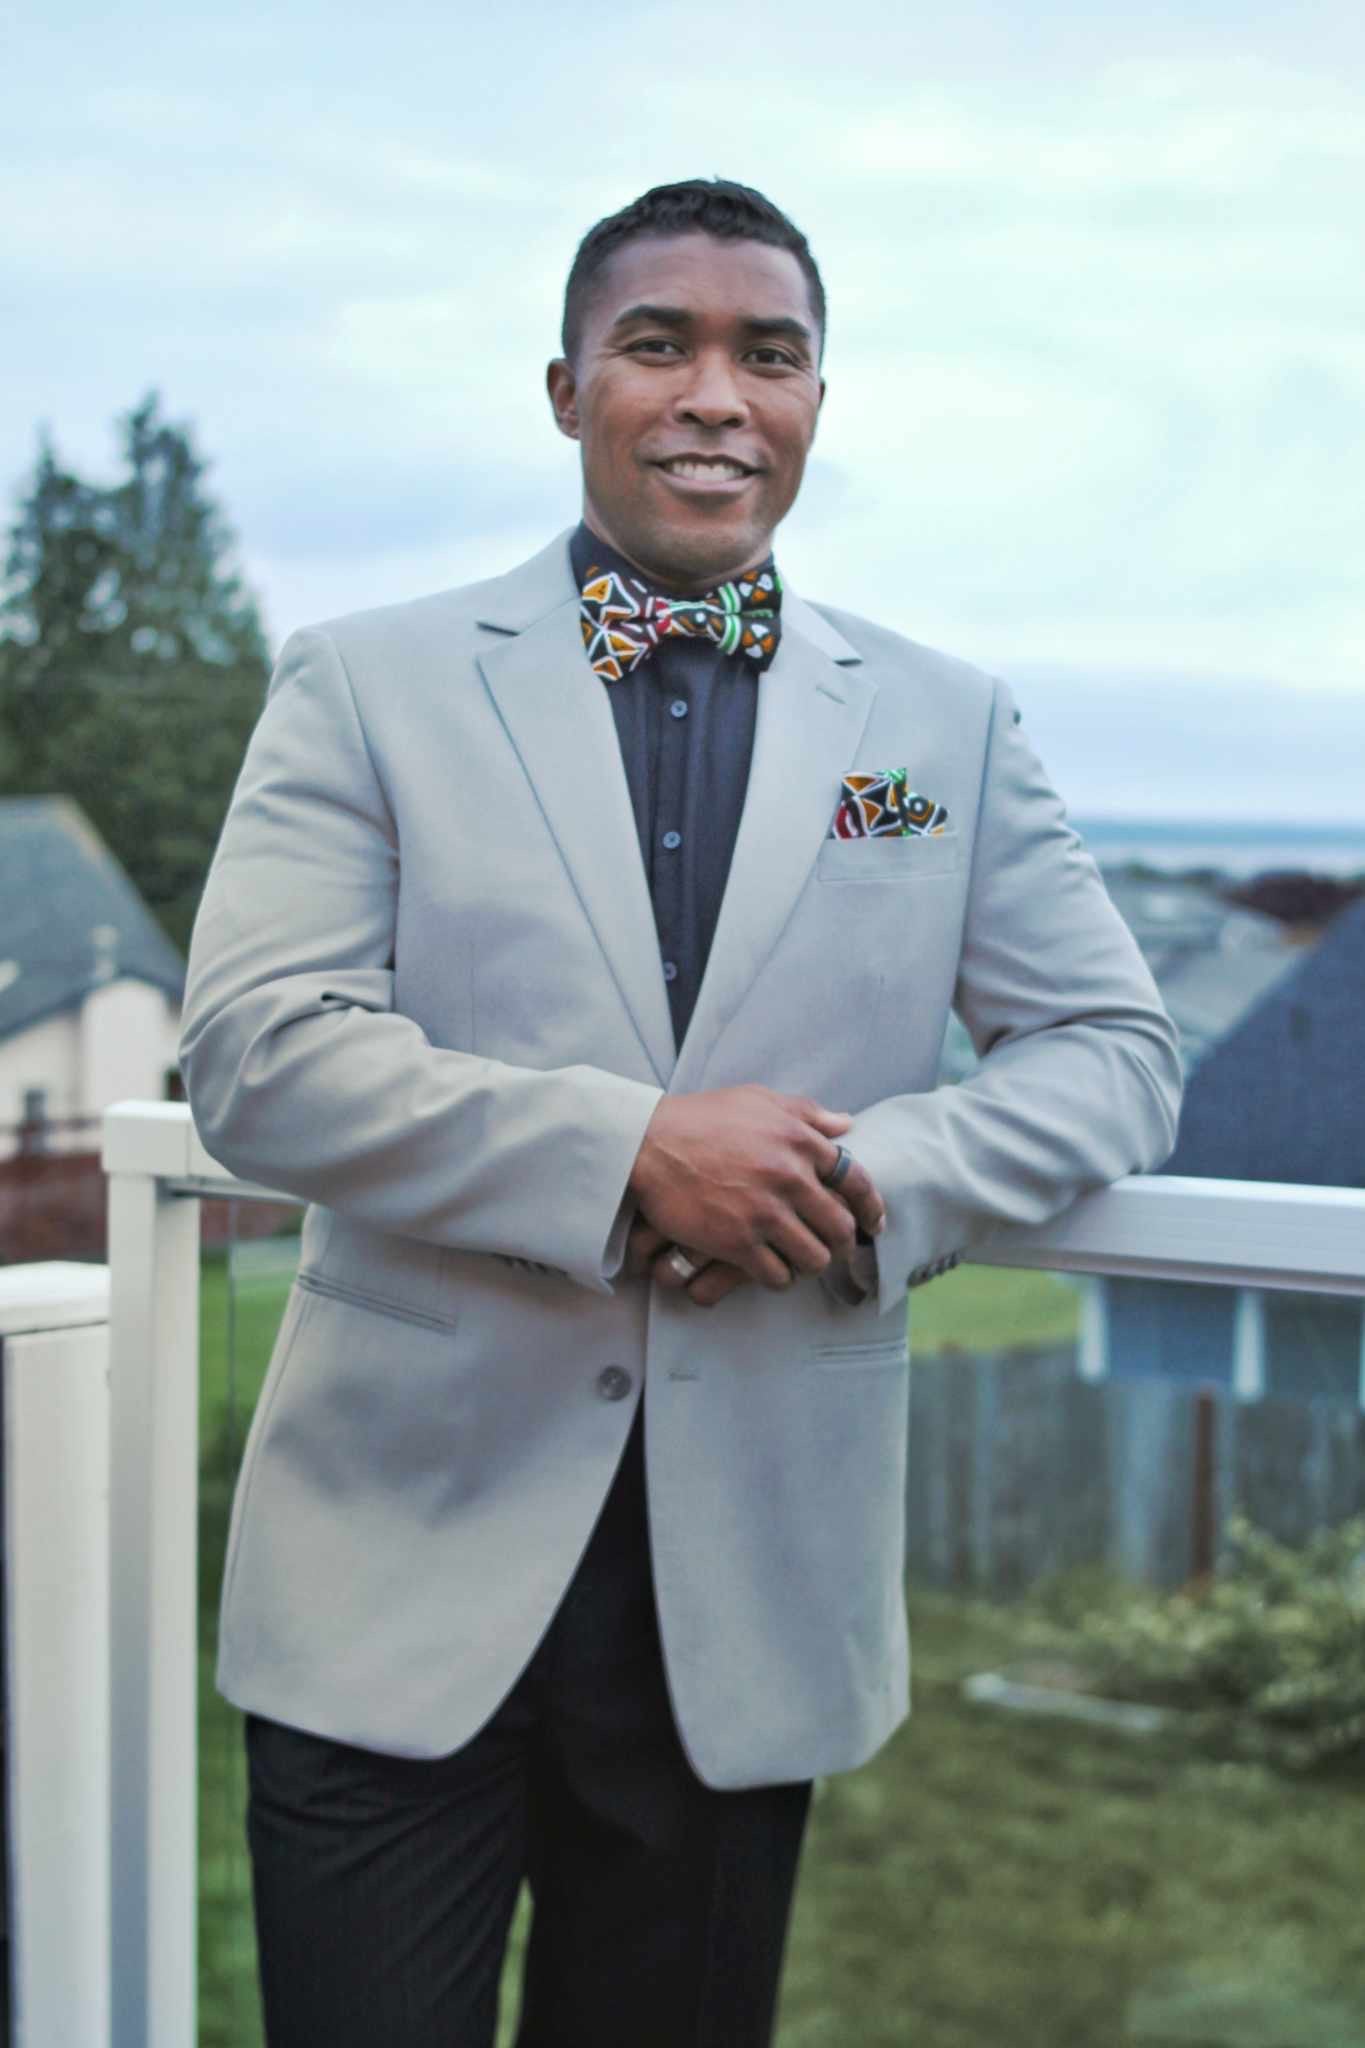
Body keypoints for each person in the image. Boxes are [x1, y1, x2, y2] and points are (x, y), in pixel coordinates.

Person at [177, 177, 1183, 2047]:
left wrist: (869, 1175)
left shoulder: (932, 740)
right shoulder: (371, 682)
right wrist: (628, 1155)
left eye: (768, 354)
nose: (717, 393)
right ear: (566, 390)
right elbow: (255, 1047)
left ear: (816, 402)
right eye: (660, 345)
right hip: (393, 1564)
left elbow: (1111, 1051)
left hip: (746, 1597)